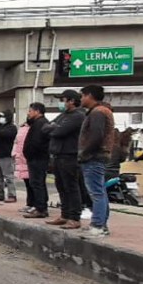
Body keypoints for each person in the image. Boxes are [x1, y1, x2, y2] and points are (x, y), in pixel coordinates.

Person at [42, 90, 86, 229]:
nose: (61, 102)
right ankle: (65, 215)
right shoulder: (64, 115)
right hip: (58, 156)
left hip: (70, 156)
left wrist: (54, 129)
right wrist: (53, 128)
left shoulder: (78, 116)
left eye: (63, 99)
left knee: (71, 187)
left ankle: (74, 217)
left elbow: (59, 131)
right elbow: (45, 128)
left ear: (71, 101)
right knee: (61, 186)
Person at [78, 84, 115, 238]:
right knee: (100, 191)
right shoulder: (101, 111)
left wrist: (84, 153)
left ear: (90, 96)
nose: (81, 99)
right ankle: (102, 225)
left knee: (96, 193)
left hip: (93, 157)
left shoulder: (97, 113)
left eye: (82, 96)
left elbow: (96, 136)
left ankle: (97, 225)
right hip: (98, 156)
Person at [22, 103, 50, 219]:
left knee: (37, 183)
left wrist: (30, 154)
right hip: (35, 158)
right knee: (36, 183)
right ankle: (39, 206)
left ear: (37, 111)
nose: (28, 113)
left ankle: (41, 208)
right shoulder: (37, 123)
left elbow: (37, 142)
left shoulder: (41, 123)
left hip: (38, 159)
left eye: (30, 111)